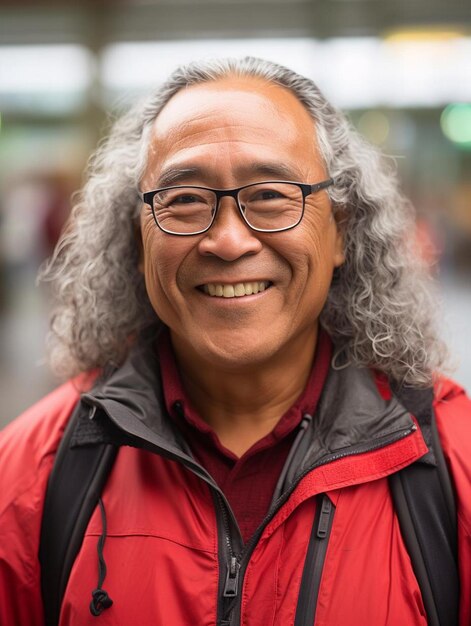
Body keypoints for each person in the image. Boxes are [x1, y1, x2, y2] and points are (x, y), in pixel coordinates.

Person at [0, 57, 470, 626]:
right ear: (138, 237)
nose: (227, 240)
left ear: (341, 229)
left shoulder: (451, 460)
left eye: (271, 194)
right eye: (185, 201)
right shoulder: (31, 474)